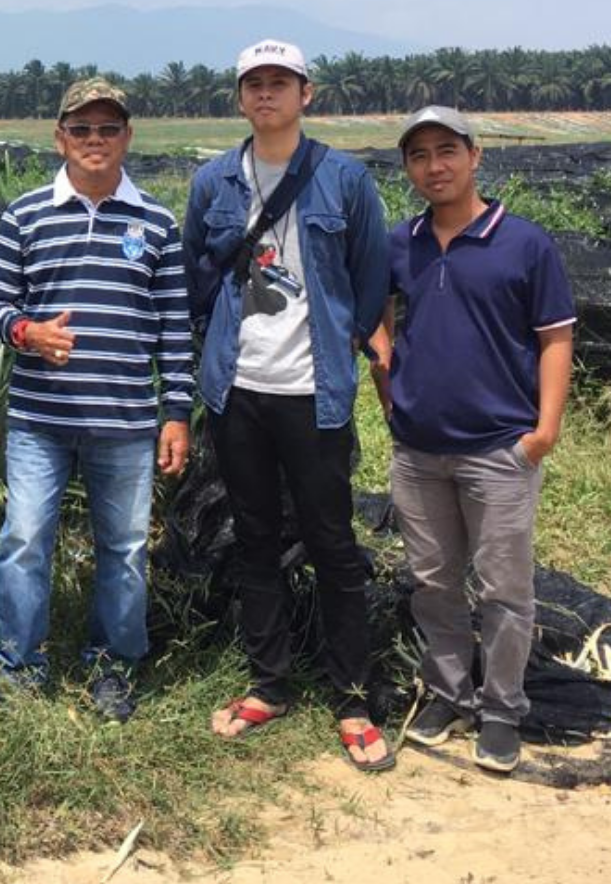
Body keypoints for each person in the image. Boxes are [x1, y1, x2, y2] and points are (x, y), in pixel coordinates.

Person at [184, 38, 395, 771]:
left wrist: (343, 340)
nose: (267, 93)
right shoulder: (214, 181)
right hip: (237, 390)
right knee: (254, 537)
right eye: (255, 83)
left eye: (281, 82)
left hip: (314, 392)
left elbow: (371, 278)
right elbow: (197, 275)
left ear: (307, 94)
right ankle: (269, 683)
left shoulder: (345, 180)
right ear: (240, 97)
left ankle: (352, 698)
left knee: (332, 541)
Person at [0, 77, 193, 721]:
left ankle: (112, 666)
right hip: (39, 420)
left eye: (108, 128)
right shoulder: (26, 215)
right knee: (24, 539)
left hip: (125, 421)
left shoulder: (156, 222)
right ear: (59, 137)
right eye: (81, 129)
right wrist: (27, 332)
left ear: (127, 136)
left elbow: (174, 326)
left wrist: (177, 412)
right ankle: (18, 665)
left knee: (124, 549)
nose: (95, 140)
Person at [369, 105, 575, 774]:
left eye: (447, 151)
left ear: (475, 156)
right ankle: (448, 694)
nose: (435, 166)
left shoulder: (524, 243)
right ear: (408, 168)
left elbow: (555, 338)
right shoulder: (401, 243)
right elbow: (376, 317)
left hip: (499, 448)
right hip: (418, 449)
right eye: (419, 155)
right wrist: (387, 383)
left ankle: (502, 710)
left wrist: (543, 432)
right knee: (432, 581)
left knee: (503, 587)